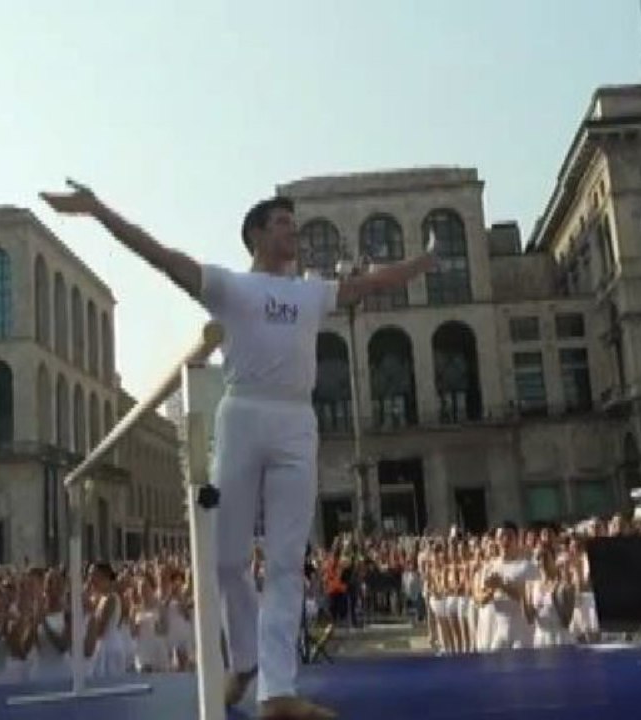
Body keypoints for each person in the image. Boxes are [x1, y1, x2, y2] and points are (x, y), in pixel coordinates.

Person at [42, 179, 439, 719]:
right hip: (243, 413)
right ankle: (246, 659)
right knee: (226, 559)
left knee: (283, 562)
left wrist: (423, 263)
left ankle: (277, 691)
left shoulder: (312, 292)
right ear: (255, 234)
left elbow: (373, 284)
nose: (292, 232)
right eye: (282, 224)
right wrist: (97, 210)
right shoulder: (228, 287)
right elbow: (159, 255)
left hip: (297, 420)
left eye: (294, 225)